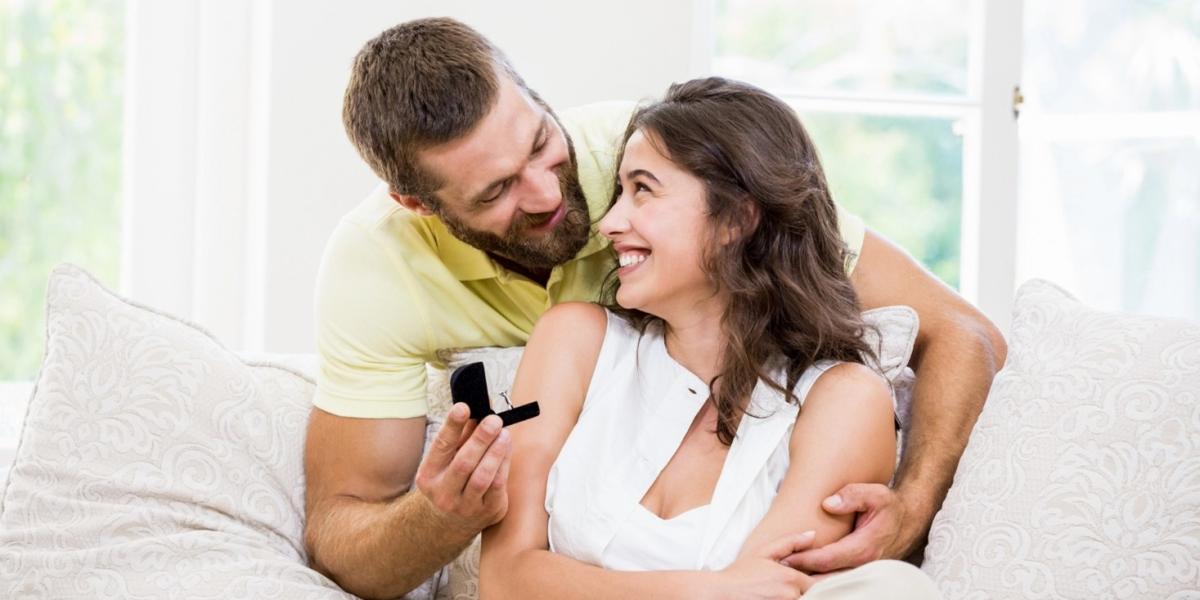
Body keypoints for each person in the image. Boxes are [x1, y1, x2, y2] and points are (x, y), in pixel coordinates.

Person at [303, 17, 1005, 600]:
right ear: (419, 205)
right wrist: (439, 515)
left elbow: (963, 332)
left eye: (544, 144)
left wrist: (911, 510)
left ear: (738, 219)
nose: (575, 207)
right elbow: (493, 575)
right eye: (495, 191)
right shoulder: (546, 328)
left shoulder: (656, 145)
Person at [477, 76, 941, 600]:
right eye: (620, 191)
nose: (609, 223)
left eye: (643, 189)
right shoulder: (574, 340)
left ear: (736, 219)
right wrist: (705, 590)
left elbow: (767, 594)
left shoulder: (843, 401)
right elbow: (505, 580)